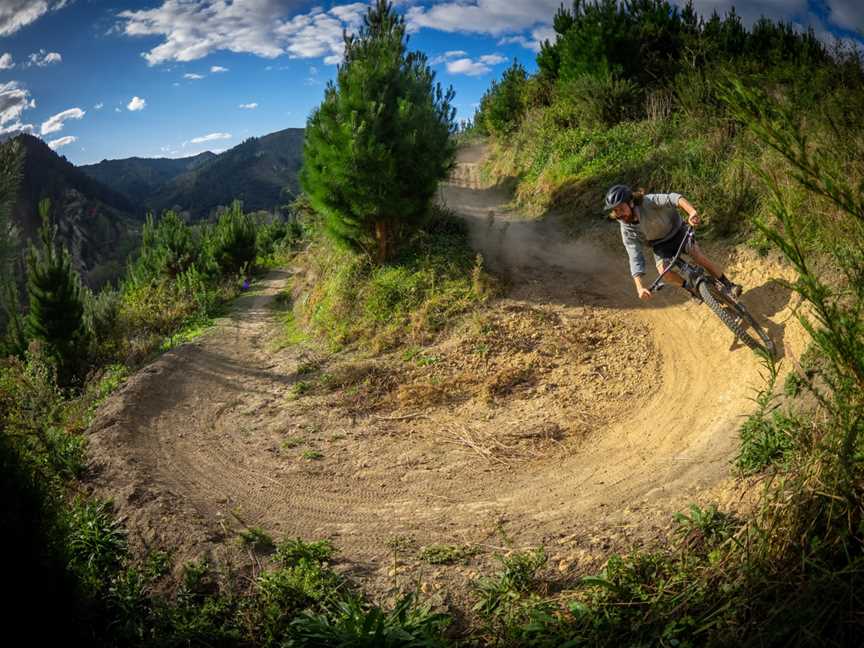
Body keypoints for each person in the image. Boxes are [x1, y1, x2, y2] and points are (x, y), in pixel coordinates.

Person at [603, 184, 742, 301]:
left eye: (621, 208)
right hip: (660, 244)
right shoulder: (626, 229)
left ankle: (728, 284)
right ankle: (693, 290)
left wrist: (692, 212)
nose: (619, 214)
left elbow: (674, 198)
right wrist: (640, 287)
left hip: (678, 230)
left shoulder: (648, 202)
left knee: (697, 256)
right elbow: (634, 257)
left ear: (631, 203)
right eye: (615, 210)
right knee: (664, 272)